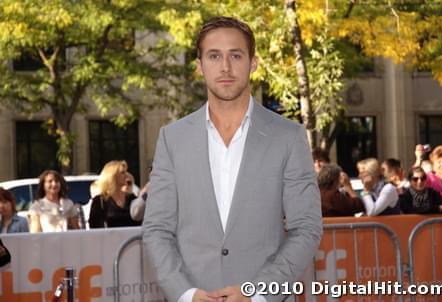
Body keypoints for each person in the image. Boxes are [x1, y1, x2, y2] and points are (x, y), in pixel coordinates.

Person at [142, 16, 322, 302]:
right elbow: (157, 229)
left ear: (252, 63)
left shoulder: (288, 137)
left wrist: (259, 293)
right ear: (200, 66)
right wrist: (186, 294)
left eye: (235, 55)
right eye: (214, 56)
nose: (225, 67)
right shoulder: (172, 139)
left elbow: (307, 228)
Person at [88, 160, 142, 228]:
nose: (127, 175)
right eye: (122, 173)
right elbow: (94, 226)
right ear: (112, 176)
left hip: (132, 238)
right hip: (108, 238)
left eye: (126, 172)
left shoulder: (132, 198)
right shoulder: (99, 201)